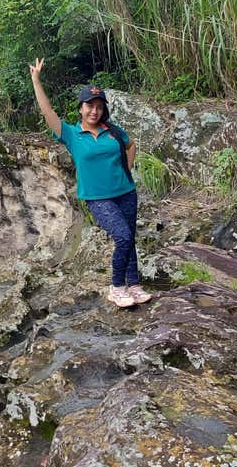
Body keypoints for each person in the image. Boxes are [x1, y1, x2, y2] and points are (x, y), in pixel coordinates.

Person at [28, 57, 152, 308]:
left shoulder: (113, 131)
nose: (94, 111)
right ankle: (117, 288)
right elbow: (48, 112)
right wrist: (36, 80)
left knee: (130, 239)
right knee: (123, 237)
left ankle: (134, 285)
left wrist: (127, 168)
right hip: (98, 198)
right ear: (80, 108)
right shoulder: (72, 135)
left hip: (126, 192)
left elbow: (131, 146)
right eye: (89, 106)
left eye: (99, 106)